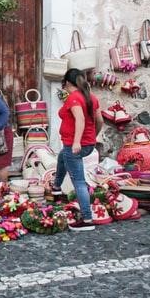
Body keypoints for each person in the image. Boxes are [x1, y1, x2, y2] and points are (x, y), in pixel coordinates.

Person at [51, 68, 103, 231]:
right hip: (88, 144)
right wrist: (93, 136)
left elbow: (80, 119)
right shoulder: (91, 97)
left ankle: (87, 219)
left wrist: (76, 142)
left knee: (78, 181)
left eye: (63, 83)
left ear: (67, 83)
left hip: (75, 145)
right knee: (62, 157)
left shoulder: (74, 98)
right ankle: (57, 187)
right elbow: (99, 120)